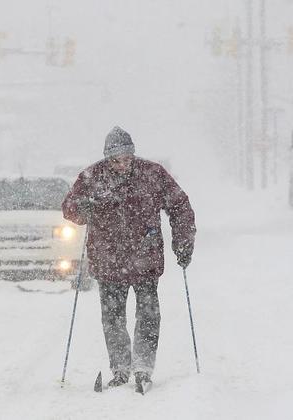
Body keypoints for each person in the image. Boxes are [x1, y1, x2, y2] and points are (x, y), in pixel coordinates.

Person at [62, 126, 196, 394]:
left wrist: (182, 242)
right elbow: (69, 208)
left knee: (148, 316)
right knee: (113, 319)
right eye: (116, 159)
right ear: (107, 158)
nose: (122, 164)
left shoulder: (152, 174)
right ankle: (120, 368)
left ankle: (144, 366)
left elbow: (180, 205)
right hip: (108, 262)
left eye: (126, 158)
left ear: (133, 155)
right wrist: (85, 205)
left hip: (145, 260)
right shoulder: (92, 176)